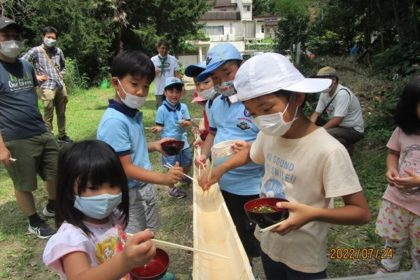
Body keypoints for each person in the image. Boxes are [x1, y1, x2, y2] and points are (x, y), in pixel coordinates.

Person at [199, 53, 371, 279]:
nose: (261, 119)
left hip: (304, 257)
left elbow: (361, 213)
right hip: (269, 242)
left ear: (297, 97)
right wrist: (220, 170)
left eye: (267, 109)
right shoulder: (271, 133)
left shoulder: (328, 151)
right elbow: (250, 154)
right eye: (252, 113)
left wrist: (312, 214)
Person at [97, 50, 184, 234]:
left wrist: (154, 146)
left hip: (143, 187)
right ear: (116, 83)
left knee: (149, 233)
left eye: (146, 86)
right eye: (134, 84)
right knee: (134, 238)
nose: (140, 92)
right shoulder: (114, 121)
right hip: (129, 194)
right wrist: (164, 178)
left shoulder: (131, 114)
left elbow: (127, 150)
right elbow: (125, 168)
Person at [43, 140, 156, 279]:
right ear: (69, 189)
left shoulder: (113, 216)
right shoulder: (72, 237)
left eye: (113, 184)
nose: (106, 194)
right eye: (93, 187)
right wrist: (126, 261)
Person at [195, 43, 265, 262]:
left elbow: (267, 146)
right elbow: (214, 133)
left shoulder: (257, 104)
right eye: (215, 78)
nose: (222, 82)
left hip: (251, 187)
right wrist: (204, 156)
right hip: (223, 183)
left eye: (227, 73)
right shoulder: (216, 103)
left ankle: (253, 262)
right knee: (233, 231)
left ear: (241, 68)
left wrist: (224, 166)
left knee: (254, 236)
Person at [0, 16, 57, 239]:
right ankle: (34, 220)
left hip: (40, 130)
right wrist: (2, 147)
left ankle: (52, 206)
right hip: (15, 137)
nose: (13, 41)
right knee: (25, 183)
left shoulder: (25, 65)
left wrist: (43, 122)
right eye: (6, 37)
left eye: (16, 37)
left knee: (55, 171)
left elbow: (32, 94)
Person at [375, 76, 420, 273]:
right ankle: (388, 268)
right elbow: (393, 153)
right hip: (397, 200)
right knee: (393, 241)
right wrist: (391, 169)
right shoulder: (403, 131)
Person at [22, 26, 72, 142]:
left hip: (60, 85)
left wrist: (61, 74)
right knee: (48, 112)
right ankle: (49, 137)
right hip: (46, 86)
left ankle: (62, 134)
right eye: (48, 37)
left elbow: (63, 65)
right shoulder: (36, 50)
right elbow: (22, 63)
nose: (51, 39)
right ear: (43, 36)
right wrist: (35, 77)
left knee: (62, 112)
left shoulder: (58, 51)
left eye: (53, 38)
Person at [151, 77, 192, 199]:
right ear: (165, 93)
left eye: (177, 91)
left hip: (183, 141)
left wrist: (186, 123)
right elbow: (160, 125)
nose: (174, 95)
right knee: (172, 166)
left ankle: (183, 176)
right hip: (169, 144)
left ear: (181, 93)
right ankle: (172, 188)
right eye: (171, 91)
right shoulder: (162, 109)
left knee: (188, 160)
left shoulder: (183, 107)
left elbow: (188, 122)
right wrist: (158, 128)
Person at [310, 66, 364, 154]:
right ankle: (344, 144)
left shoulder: (342, 94)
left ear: (334, 80)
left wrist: (320, 130)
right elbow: (316, 113)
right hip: (338, 127)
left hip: (352, 129)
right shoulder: (325, 93)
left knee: (323, 134)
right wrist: (308, 128)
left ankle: (341, 145)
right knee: (313, 126)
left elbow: (338, 119)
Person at [184, 61, 218, 147]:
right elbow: (213, 132)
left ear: (217, 78)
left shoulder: (226, 104)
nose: (201, 87)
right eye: (197, 84)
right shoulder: (209, 105)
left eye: (206, 82)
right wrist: (204, 135)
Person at [150, 40, 180, 109]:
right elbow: (149, 76)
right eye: (162, 48)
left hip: (171, 89)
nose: (164, 50)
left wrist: (181, 86)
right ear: (158, 48)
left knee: (172, 108)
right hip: (159, 90)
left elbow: (177, 74)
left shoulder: (172, 59)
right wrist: (154, 73)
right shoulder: (153, 60)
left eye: (166, 48)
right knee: (160, 109)